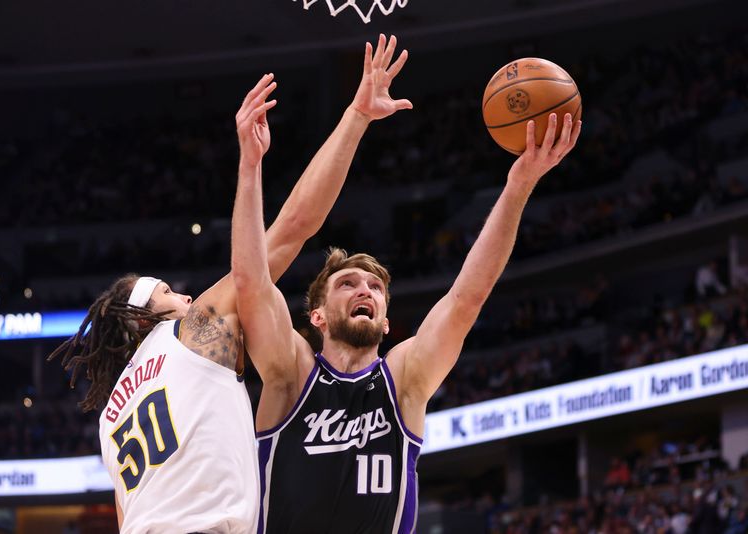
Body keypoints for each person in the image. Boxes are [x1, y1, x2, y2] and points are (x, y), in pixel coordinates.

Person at [48, 34, 411, 534]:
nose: (190, 298)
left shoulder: (111, 419)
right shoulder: (190, 334)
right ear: (141, 319)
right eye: (170, 294)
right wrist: (355, 118)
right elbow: (296, 225)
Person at [232, 56, 581, 533]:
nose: (365, 290)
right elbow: (251, 281)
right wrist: (250, 169)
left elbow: (466, 298)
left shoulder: (405, 378)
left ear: (387, 322)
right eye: (348, 284)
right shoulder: (291, 375)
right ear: (315, 316)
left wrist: (518, 186)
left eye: (375, 287)